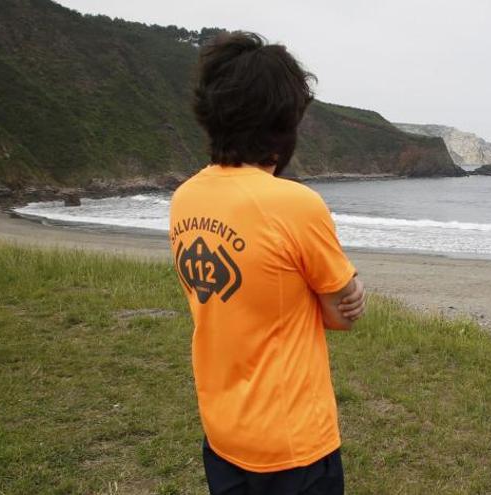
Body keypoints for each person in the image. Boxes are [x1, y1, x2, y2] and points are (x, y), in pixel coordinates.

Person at [168, 32, 365, 495]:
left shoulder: (184, 199)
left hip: (222, 431)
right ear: (285, 122)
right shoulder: (296, 204)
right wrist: (346, 294)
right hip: (293, 443)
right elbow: (342, 313)